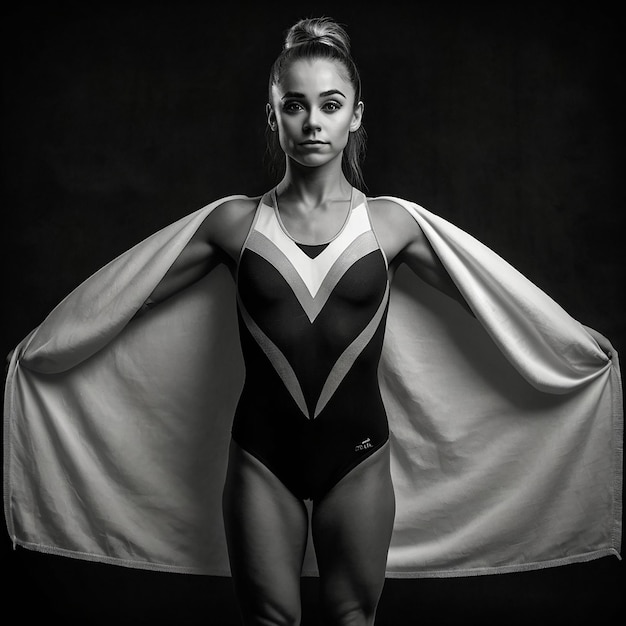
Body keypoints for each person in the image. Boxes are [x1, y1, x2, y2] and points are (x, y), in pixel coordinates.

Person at [4, 15, 621, 626]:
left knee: (354, 618)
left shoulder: (391, 224)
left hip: (358, 459)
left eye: (330, 104)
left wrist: (567, 347)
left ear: (354, 115)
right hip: (260, 460)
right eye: (294, 105)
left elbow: (491, 299)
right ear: (274, 116)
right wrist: (49, 349)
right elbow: (125, 297)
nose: (312, 121)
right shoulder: (233, 224)